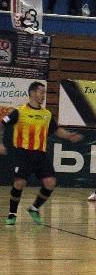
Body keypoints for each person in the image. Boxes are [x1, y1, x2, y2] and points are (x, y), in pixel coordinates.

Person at [0, 82, 83, 225]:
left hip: (41, 154)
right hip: (23, 153)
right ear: (32, 93)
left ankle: (34, 208)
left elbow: (56, 130)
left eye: (44, 93)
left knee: (50, 182)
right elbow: (2, 124)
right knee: (19, 182)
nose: (43, 96)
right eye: (41, 92)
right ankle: (12, 214)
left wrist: (69, 136)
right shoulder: (19, 111)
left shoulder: (47, 114)